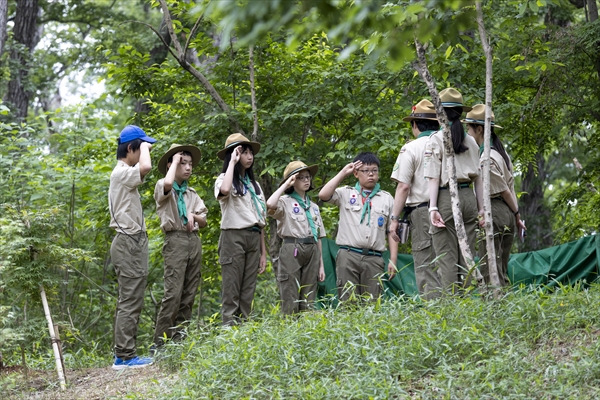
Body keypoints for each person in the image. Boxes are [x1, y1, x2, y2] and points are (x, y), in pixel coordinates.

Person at [424, 88, 483, 295]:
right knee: (467, 253)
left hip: (446, 197)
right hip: (468, 198)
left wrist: (432, 207)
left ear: (439, 112)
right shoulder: (472, 141)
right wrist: (481, 209)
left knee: (446, 255)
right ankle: (469, 300)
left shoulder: (436, 139)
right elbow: (478, 178)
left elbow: (433, 177)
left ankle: (452, 304)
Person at [319, 152, 398, 302]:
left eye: (374, 171)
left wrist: (392, 259)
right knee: (348, 301)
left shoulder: (386, 198)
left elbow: (391, 231)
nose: (371, 175)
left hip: (374, 258)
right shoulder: (345, 193)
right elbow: (323, 195)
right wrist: (343, 172)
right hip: (348, 255)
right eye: (366, 171)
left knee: (373, 303)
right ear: (356, 173)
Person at [108, 125, 156, 370]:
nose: (145, 152)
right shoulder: (121, 172)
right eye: (142, 147)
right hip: (128, 242)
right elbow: (145, 167)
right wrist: (146, 146)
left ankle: (124, 354)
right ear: (130, 148)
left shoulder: (123, 173)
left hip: (131, 241)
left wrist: (144, 146)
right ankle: (125, 357)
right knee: (129, 300)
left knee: (132, 298)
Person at [464, 104, 526, 286]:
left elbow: (505, 191)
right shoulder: (501, 152)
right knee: (500, 269)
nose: (467, 134)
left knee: (490, 269)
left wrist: (516, 214)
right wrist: (515, 214)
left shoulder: (487, 158)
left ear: (479, 129)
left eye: (469, 129)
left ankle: (495, 309)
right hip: (507, 212)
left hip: (496, 210)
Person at [153, 144, 207, 350]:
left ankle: (179, 343)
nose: (187, 168)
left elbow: (204, 219)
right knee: (173, 294)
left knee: (189, 294)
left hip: (193, 240)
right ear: (171, 165)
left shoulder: (191, 193)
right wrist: (173, 160)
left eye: (190, 164)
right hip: (175, 240)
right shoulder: (163, 186)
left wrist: (194, 216)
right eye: (182, 163)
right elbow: (167, 184)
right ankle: (160, 344)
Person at [390, 99, 442, 300]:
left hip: (423, 211)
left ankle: (435, 313)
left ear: (414, 125)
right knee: (448, 261)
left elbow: (403, 186)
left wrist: (394, 219)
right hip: (448, 207)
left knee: (426, 263)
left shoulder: (411, 148)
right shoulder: (447, 143)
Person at [214, 133, 267, 325]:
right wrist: (231, 163)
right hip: (233, 237)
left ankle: (243, 333)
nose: (249, 156)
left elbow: (260, 220)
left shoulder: (255, 185)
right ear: (233, 155)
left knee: (248, 291)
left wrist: (263, 253)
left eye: (250, 152)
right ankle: (228, 333)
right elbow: (225, 191)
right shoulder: (223, 179)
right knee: (232, 289)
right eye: (243, 152)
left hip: (253, 238)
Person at [266, 161, 326, 315]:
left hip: (312, 249)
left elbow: (318, 236)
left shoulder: (313, 207)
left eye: (308, 177)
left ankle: (306, 332)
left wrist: (321, 265)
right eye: (301, 178)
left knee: (309, 296)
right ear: (292, 181)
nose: (306, 180)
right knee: (290, 294)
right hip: (292, 247)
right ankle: (289, 330)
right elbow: (270, 204)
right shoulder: (284, 202)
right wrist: (285, 185)